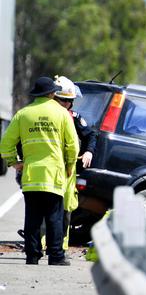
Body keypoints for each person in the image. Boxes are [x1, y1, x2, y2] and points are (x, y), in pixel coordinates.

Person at [0, 77, 79, 265]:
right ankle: (56, 256)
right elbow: (73, 146)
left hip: (31, 175)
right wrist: (69, 166)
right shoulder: (61, 114)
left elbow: (5, 144)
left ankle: (32, 255)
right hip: (54, 174)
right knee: (54, 217)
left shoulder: (23, 114)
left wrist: (14, 162)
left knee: (33, 217)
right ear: (51, 94)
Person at [52, 75, 96, 248]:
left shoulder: (74, 117)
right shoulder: (44, 115)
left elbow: (91, 135)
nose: (66, 105)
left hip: (68, 169)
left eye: (69, 101)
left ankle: (59, 247)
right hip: (48, 168)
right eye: (62, 100)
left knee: (66, 208)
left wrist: (88, 152)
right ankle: (39, 244)